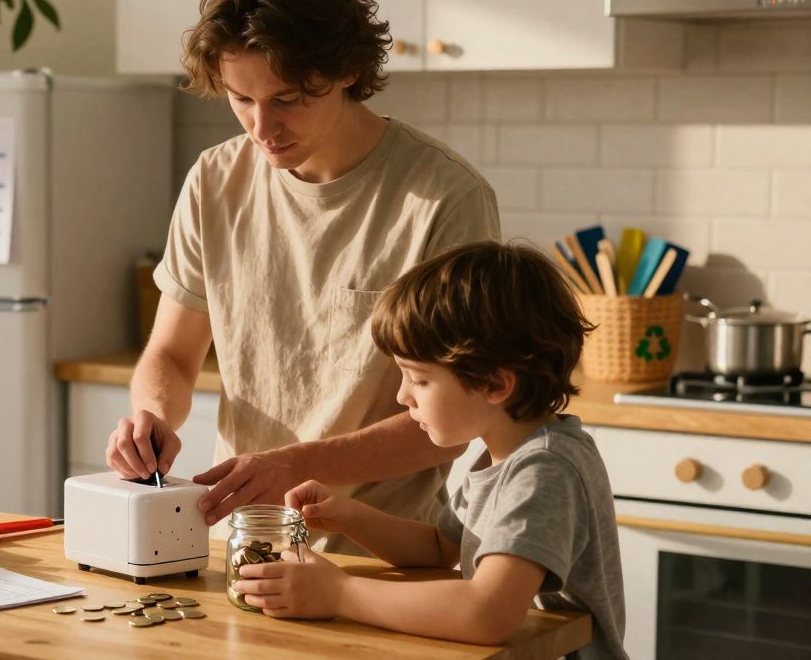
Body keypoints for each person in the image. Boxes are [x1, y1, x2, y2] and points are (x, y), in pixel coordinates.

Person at [105, 0, 500, 548]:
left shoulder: (444, 197)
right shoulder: (215, 182)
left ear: (345, 70)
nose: (262, 127)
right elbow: (173, 355)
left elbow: (450, 420)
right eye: (241, 99)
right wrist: (152, 415)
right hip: (241, 547)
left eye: (286, 99)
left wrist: (295, 463)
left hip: (385, 558)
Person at [232, 241, 626, 659]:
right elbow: (440, 548)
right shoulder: (504, 454)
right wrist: (351, 517)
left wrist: (339, 593)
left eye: (418, 378)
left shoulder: (544, 470)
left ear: (494, 384)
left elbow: (488, 614)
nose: (403, 396)